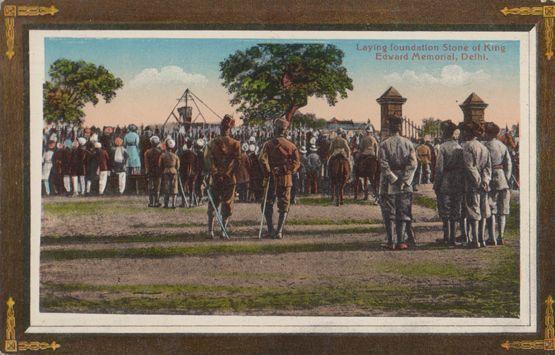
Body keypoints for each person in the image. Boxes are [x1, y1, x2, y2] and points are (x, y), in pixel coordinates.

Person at [378, 116, 418, 250]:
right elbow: (413, 164)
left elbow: (383, 164)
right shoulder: (408, 143)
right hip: (405, 182)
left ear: (389, 128)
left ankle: (391, 241)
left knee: (388, 212)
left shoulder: (384, 144)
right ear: (400, 128)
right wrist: (405, 180)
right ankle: (401, 241)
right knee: (404, 210)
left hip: (388, 183)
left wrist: (393, 178)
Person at [259, 118, 301, 239]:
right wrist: (284, 170)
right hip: (285, 179)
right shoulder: (292, 146)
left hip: (271, 179)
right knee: (284, 205)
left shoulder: (267, 144)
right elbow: (296, 163)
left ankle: (271, 230)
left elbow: (262, 159)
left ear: (275, 129)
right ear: (285, 131)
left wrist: (268, 172)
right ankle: (279, 231)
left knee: (267, 204)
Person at [204, 115, 241, 238]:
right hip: (229, 179)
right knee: (227, 204)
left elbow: (208, 160)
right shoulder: (236, 144)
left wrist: (215, 173)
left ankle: (210, 231)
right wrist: (227, 173)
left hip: (215, 179)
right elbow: (237, 162)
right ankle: (223, 231)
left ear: (220, 128)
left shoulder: (212, 143)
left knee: (213, 203)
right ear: (230, 129)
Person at [460, 121, 492, 248]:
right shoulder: (483, 147)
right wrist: (485, 181)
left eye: (464, 131)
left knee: (473, 210)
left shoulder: (468, 146)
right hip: (483, 183)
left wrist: (478, 182)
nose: (462, 133)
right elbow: (487, 167)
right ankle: (482, 239)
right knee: (483, 209)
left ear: (468, 132)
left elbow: (470, 167)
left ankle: (475, 240)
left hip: (472, 183)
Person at [433, 120, 464, 245]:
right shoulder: (460, 147)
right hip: (458, 181)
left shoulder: (443, 147)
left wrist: (436, 184)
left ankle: (447, 237)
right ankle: (453, 237)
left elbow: (439, 168)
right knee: (456, 209)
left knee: (445, 210)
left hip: (446, 180)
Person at [483, 122, 512, 245]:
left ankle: (492, 237)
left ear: (488, 133)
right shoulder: (502, 146)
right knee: (502, 210)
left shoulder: (485, 146)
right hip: (502, 179)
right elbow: (509, 164)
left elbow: (483, 164)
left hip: (490, 179)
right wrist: (506, 177)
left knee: (491, 209)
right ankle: (501, 236)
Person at [159, 138, 180, 208]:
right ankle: (173, 204)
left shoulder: (163, 155)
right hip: (174, 171)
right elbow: (178, 166)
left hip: (166, 171)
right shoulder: (176, 156)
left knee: (166, 187)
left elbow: (160, 165)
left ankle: (166, 204)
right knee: (174, 187)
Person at [144, 136, 163, 207]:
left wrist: (147, 171)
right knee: (157, 187)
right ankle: (157, 202)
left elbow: (146, 164)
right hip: (158, 172)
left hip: (150, 172)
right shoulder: (160, 152)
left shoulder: (147, 152)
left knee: (150, 187)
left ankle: (151, 202)